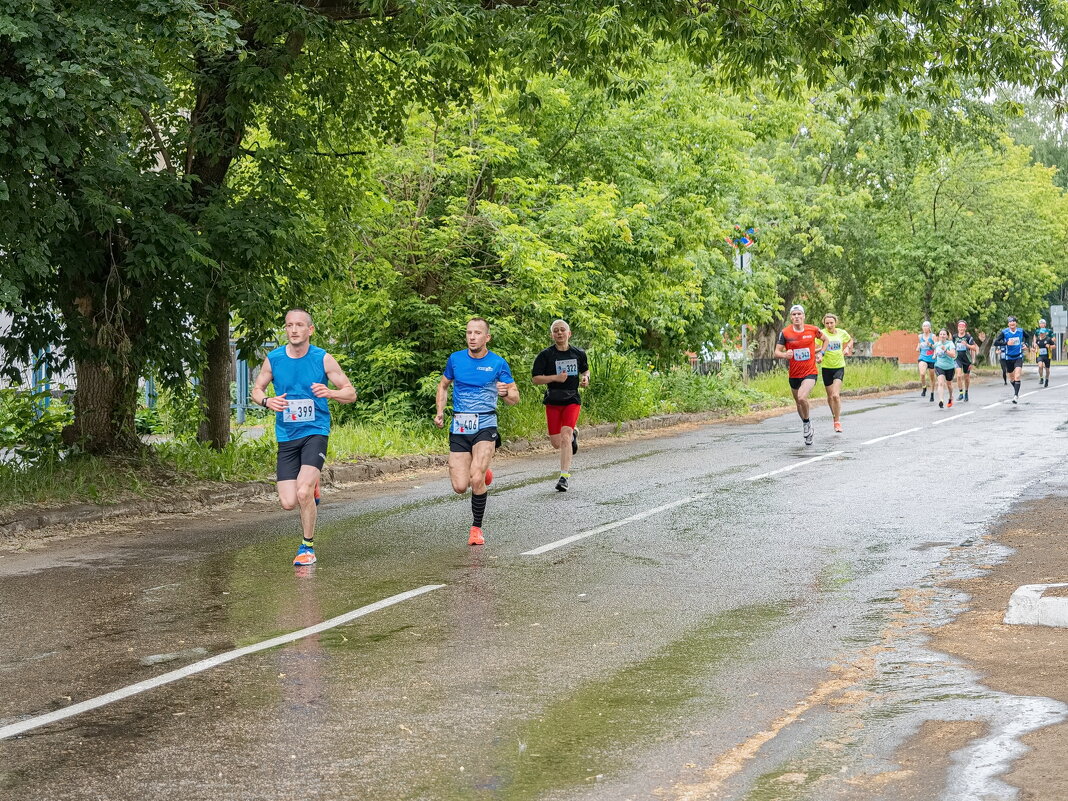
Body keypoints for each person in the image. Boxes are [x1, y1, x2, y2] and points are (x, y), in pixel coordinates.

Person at [251, 309, 357, 567]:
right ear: (286, 330)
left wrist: (330, 393)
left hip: (315, 431)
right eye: (289, 325)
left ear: (310, 330)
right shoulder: (274, 359)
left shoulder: (323, 358)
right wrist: (266, 401)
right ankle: (312, 488)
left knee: (302, 491)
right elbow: (256, 389)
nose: (294, 330)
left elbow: (350, 393)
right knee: (289, 502)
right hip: (286, 434)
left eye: (299, 325)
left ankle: (307, 547)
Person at [434, 318, 519, 546]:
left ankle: (476, 529)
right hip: (460, 425)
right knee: (460, 486)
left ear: (487, 337)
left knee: (475, 477)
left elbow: (514, 398)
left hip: (486, 424)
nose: (472, 337)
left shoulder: (498, 363)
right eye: (469, 332)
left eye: (477, 333)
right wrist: (440, 411)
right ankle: (484, 473)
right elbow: (443, 385)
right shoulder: (456, 359)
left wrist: (505, 394)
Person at [531, 319, 590, 491]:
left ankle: (564, 477)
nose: (559, 333)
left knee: (565, 435)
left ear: (569, 333)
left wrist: (586, 378)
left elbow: (585, 370)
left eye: (562, 330)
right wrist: (555, 378)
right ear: (552, 335)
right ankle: (573, 435)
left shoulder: (578, 353)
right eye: (556, 330)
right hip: (553, 400)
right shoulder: (545, 355)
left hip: (572, 399)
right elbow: (535, 378)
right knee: (556, 443)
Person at [774, 304, 825, 445]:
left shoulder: (813, 330)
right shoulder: (785, 333)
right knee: (798, 402)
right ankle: (805, 423)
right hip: (794, 373)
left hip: (810, 372)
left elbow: (826, 339)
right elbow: (776, 352)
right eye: (794, 315)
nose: (796, 317)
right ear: (791, 317)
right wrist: (785, 355)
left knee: (802, 397)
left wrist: (821, 353)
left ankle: (807, 422)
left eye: (799, 314)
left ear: (803, 316)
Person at [818, 313, 852, 433]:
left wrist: (847, 348)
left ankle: (837, 421)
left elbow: (850, 340)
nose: (829, 325)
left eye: (831, 323)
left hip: (839, 366)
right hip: (826, 367)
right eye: (827, 323)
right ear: (824, 323)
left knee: (835, 395)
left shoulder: (842, 333)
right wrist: (819, 355)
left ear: (835, 323)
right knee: (829, 396)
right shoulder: (821, 334)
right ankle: (834, 417)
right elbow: (816, 347)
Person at [993, 316, 1030, 404]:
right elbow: (995, 342)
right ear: (1008, 324)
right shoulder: (1004, 332)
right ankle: (1016, 389)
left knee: (1017, 376)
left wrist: (1026, 344)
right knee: (1012, 378)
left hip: (1018, 357)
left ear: (1016, 323)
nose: (1012, 323)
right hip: (1008, 357)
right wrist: (1006, 343)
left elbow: (1027, 337)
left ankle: (1016, 396)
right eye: (1010, 322)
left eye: (1013, 322)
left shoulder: (1020, 331)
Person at [953, 321, 979, 401]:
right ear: (958, 328)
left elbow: (974, 348)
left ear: (965, 328)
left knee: (966, 377)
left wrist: (967, 345)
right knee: (958, 375)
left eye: (962, 327)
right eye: (959, 327)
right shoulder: (954, 337)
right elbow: (952, 346)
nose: (961, 328)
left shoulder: (968, 337)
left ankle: (966, 392)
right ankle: (961, 393)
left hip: (967, 359)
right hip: (957, 358)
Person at [932, 328, 957, 409]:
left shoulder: (950, 344)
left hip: (950, 367)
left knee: (949, 384)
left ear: (947, 336)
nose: (942, 335)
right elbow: (934, 348)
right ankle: (941, 400)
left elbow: (953, 355)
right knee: (940, 383)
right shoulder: (937, 344)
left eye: (944, 334)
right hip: (939, 366)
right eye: (941, 334)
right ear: (939, 336)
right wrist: (934, 355)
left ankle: (950, 397)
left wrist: (945, 350)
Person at [917, 321, 936, 402]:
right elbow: (919, 345)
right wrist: (918, 348)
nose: (925, 327)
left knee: (932, 377)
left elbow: (936, 346)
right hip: (923, 357)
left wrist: (930, 346)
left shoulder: (933, 336)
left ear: (929, 328)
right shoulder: (920, 336)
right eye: (923, 326)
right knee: (922, 373)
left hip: (931, 358)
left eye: (926, 326)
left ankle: (932, 393)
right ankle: (924, 387)